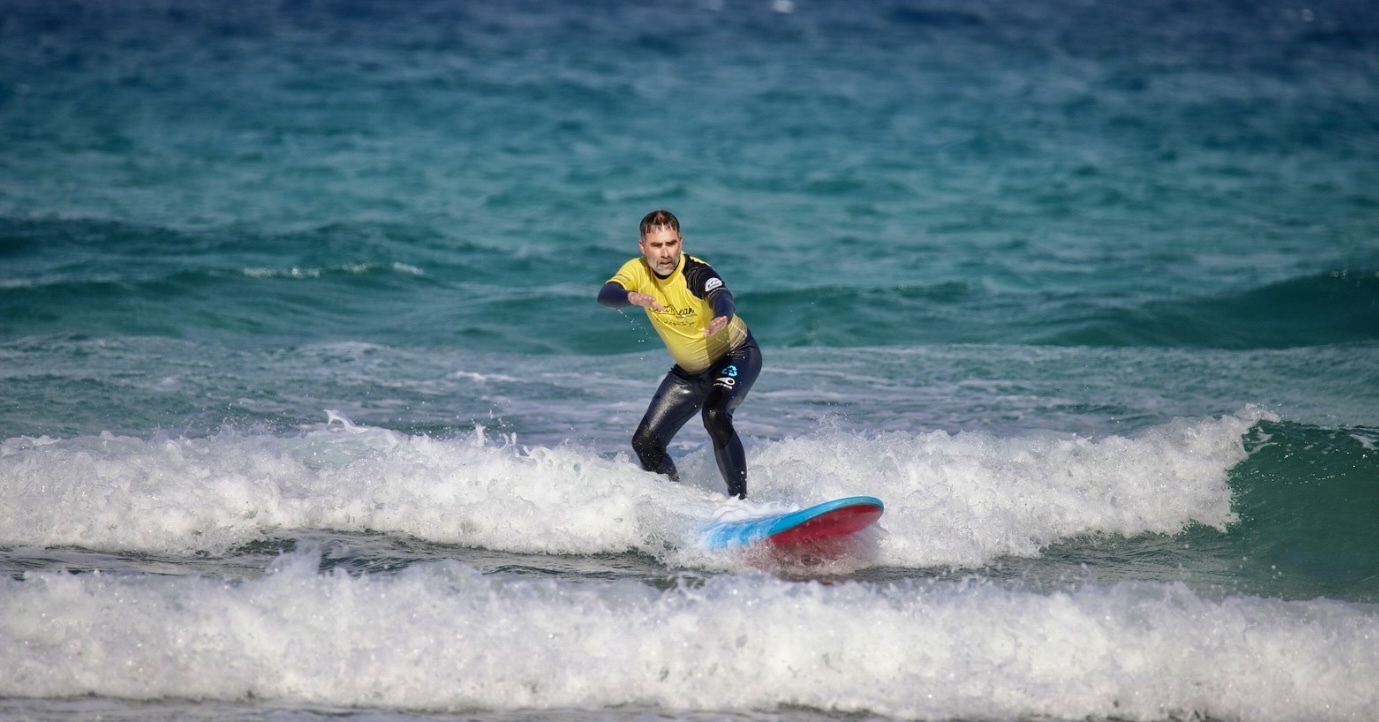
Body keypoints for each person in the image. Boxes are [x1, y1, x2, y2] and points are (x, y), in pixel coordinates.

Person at [597, 210, 762, 499]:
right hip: (689, 373)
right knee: (645, 442)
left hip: (734, 356)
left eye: (671, 243)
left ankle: (741, 503)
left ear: (681, 242)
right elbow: (606, 294)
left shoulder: (696, 272)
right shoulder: (637, 271)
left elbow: (721, 295)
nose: (665, 253)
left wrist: (722, 315)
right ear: (643, 247)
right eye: (657, 245)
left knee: (715, 414)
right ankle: (679, 501)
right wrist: (631, 297)